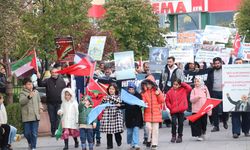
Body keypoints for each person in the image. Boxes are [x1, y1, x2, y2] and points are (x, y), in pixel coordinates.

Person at [37, 68, 66, 137]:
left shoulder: (62, 81)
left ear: (58, 73)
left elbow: (65, 91)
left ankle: (58, 131)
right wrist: (38, 78)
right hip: (50, 103)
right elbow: (40, 84)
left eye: (55, 72)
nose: (54, 74)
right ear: (51, 73)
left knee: (58, 118)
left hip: (59, 103)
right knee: (52, 119)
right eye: (52, 72)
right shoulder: (47, 81)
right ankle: (53, 132)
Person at [141, 75, 164, 149]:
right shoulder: (144, 92)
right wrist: (144, 103)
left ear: (153, 84)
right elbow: (143, 101)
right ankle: (148, 140)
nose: (148, 85)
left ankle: (154, 143)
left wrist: (158, 94)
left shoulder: (157, 91)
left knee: (155, 129)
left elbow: (162, 101)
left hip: (156, 113)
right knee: (148, 128)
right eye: (147, 84)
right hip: (147, 114)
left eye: (150, 84)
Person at [165, 78, 192, 143]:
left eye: (176, 84)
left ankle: (180, 136)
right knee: (174, 123)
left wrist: (181, 83)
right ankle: (173, 135)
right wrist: (170, 107)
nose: (175, 86)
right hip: (173, 110)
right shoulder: (169, 92)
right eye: (174, 84)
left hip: (181, 110)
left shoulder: (183, 90)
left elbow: (189, 88)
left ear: (179, 85)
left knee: (181, 123)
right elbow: (167, 101)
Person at [207, 57, 229, 132]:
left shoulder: (226, 70)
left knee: (224, 108)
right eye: (215, 64)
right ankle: (216, 126)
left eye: (218, 63)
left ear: (221, 63)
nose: (217, 65)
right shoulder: (210, 71)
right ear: (213, 64)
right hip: (214, 92)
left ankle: (225, 121)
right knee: (215, 110)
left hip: (223, 92)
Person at [19, 78, 42, 150]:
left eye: (31, 84)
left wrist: (40, 108)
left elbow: (39, 101)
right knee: (27, 133)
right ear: (24, 86)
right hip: (27, 116)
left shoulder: (36, 92)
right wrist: (29, 96)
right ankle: (30, 143)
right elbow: (21, 102)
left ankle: (33, 147)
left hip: (35, 116)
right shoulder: (22, 93)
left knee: (34, 133)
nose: (30, 85)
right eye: (28, 84)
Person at [100, 83, 123, 149]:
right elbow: (102, 105)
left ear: (115, 90)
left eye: (113, 89)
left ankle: (119, 140)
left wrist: (111, 98)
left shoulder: (118, 96)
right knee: (108, 131)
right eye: (110, 89)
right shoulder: (106, 97)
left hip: (116, 114)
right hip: (107, 115)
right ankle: (109, 145)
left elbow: (119, 102)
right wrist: (103, 100)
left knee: (116, 131)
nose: (111, 90)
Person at [125, 82, 143, 150]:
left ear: (135, 89)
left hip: (137, 115)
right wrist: (120, 106)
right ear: (128, 89)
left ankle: (136, 144)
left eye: (132, 89)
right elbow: (123, 105)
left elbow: (141, 104)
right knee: (129, 132)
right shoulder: (125, 96)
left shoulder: (138, 95)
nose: (131, 90)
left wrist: (140, 105)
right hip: (128, 116)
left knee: (136, 129)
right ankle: (130, 142)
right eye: (129, 89)